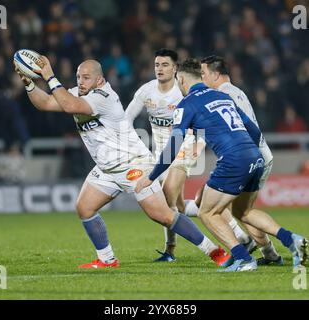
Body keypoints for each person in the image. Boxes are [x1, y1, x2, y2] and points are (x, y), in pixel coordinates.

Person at [14, 56, 231, 269]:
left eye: (86, 77)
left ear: (99, 80)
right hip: (107, 168)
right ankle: (107, 259)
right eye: (78, 77)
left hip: (133, 164)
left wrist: (49, 75)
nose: (80, 81)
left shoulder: (103, 96)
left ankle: (214, 251)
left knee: (163, 215)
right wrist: (30, 83)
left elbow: (70, 106)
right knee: (85, 208)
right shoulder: (76, 93)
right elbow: (45, 103)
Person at [135, 58, 308, 272]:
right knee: (244, 212)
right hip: (255, 154)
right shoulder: (221, 96)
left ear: (181, 79)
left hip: (234, 159)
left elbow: (173, 147)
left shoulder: (186, 104)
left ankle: (243, 259)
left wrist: (151, 177)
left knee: (207, 211)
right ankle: (292, 240)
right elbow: (253, 130)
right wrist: (250, 154)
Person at [126, 48, 231, 265]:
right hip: (162, 154)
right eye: (157, 65)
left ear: (175, 70)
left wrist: (200, 145)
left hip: (184, 149)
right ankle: (237, 231)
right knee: (179, 207)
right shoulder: (146, 91)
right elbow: (127, 119)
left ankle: (171, 250)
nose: (160, 69)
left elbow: (201, 115)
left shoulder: (182, 92)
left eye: (165, 65)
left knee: (166, 197)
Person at [185, 55, 281, 266]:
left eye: (203, 74)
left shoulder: (224, 95)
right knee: (235, 208)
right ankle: (267, 251)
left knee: (241, 211)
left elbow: (241, 130)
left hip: (249, 156)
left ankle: (265, 247)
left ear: (215, 75)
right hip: (252, 155)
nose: (200, 78)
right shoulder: (234, 92)